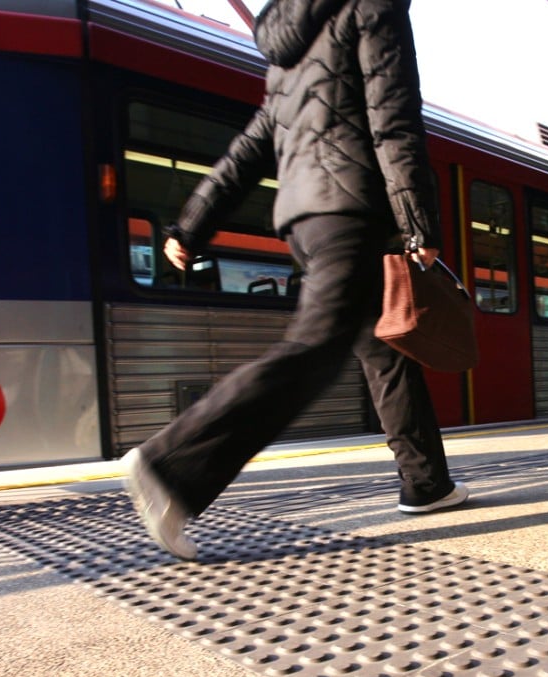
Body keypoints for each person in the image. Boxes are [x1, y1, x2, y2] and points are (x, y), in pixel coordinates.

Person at [122, 0, 469, 560]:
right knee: (316, 346)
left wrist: (192, 222)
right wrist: (419, 223)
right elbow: (393, 116)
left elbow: (253, 144)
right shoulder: (370, 6)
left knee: (384, 353)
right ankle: (170, 465)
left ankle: (427, 484)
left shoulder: (290, 46)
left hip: (306, 218)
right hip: (352, 210)